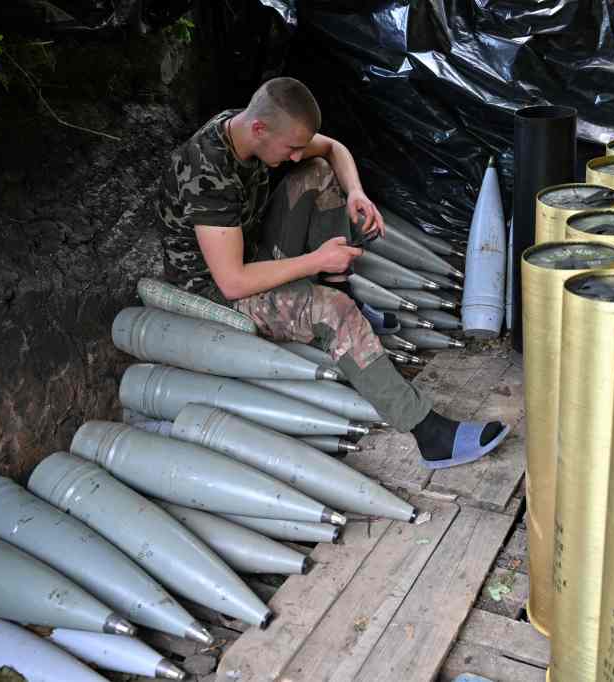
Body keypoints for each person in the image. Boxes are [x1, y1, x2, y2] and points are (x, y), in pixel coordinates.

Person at [157, 77, 509, 469]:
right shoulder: (206, 173)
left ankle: (342, 295)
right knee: (333, 311)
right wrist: (315, 262)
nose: (293, 156)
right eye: (290, 147)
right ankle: (429, 434)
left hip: (251, 255)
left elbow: (332, 148)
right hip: (217, 292)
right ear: (259, 128)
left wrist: (355, 191)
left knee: (318, 170)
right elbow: (232, 281)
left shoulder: (248, 130)